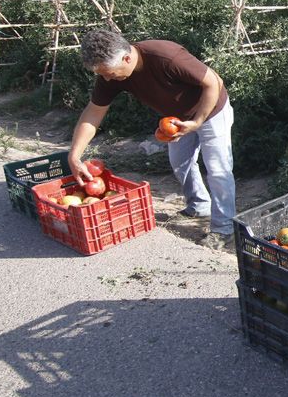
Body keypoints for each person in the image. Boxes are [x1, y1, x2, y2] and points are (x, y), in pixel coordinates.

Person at [67, 28, 236, 249]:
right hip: (176, 120)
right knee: (180, 163)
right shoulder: (110, 73)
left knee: (218, 169)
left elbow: (214, 82)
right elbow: (93, 112)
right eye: (102, 74)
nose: (107, 78)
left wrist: (197, 121)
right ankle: (199, 205)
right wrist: (74, 155)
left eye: (108, 72)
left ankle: (224, 229)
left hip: (211, 111)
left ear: (126, 58)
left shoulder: (165, 56)